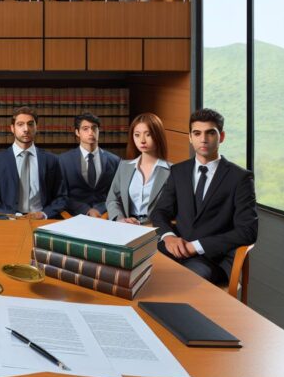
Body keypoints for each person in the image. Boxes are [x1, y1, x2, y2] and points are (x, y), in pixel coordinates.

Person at [151, 109, 258, 284]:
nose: (203, 139)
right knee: (137, 269)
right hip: (175, 248)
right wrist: (169, 237)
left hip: (212, 259)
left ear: (221, 137)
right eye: (197, 133)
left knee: (181, 282)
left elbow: (247, 231)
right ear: (190, 137)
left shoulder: (240, 178)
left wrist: (196, 246)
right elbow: (160, 212)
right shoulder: (178, 171)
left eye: (210, 133)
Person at [0, 106, 68, 218]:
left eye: (30, 124)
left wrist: (44, 214)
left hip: (42, 220)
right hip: (9, 220)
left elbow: (61, 197)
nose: (26, 129)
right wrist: (8, 216)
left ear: (36, 127)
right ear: (12, 128)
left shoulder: (51, 160)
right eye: (20, 124)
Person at [106, 113, 171, 224]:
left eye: (148, 134)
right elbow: (112, 199)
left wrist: (147, 224)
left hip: (155, 227)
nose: (142, 140)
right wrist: (120, 219)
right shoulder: (124, 167)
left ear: (158, 135)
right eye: (137, 135)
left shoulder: (172, 171)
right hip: (127, 226)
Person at [58, 112, 121, 217]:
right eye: (85, 129)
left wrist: (99, 209)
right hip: (74, 216)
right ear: (77, 132)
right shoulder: (63, 160)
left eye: (94, 128)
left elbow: (117, 194)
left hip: (105, 215)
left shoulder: (114, 160)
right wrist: (86, 210)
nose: (91, 132)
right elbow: (61, 195)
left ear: (99, 131)